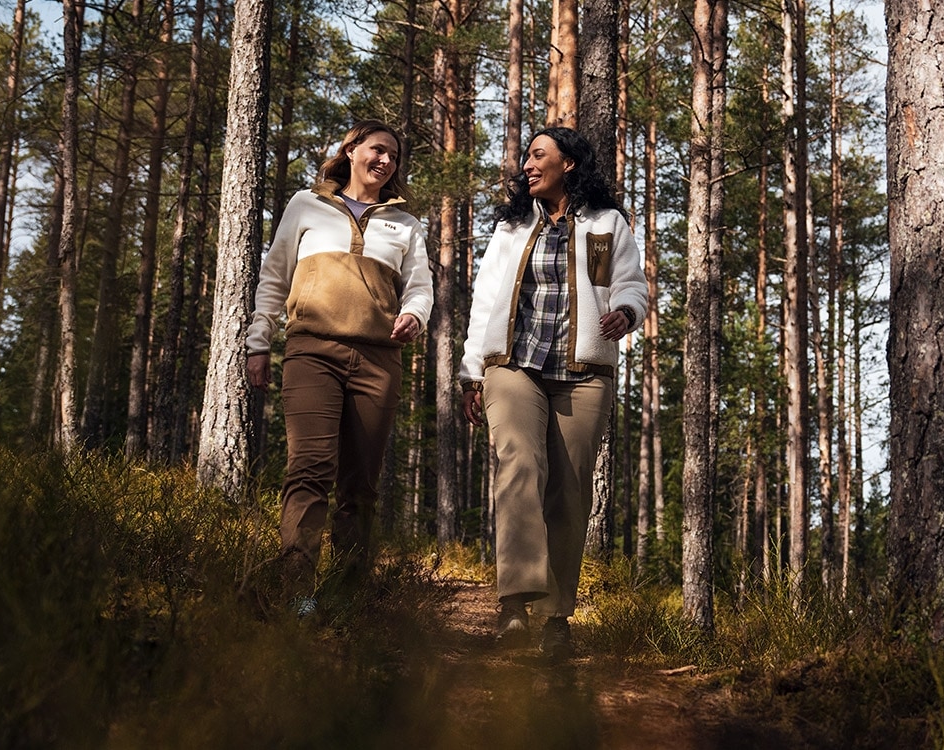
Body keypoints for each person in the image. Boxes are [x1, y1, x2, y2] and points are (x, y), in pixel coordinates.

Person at [459, 127, 649, 660]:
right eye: (526, 156)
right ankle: (515, 602)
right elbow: (485, 297)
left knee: (569, 489)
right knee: (518, 461)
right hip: (512, 364)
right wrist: (472, 369)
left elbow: (630, 284)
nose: (527, 164)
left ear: (569, 164)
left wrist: (627, 311)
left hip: (583, 370)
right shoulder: (513, 226)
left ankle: (556, 618)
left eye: (538, 155)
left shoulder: (606, 224)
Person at [246, 120, 433, 617]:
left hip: (378, 360)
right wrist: (258, 341)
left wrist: (414, 313)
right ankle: (295, 594)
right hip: (312, 352)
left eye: (394, 155)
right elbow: (274, 275)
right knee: (308, 470)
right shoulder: (306, 205)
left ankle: (347, 598)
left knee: (360, 484)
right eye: (378, 150)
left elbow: (420, 286)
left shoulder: (406, 224)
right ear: (351, 150)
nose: (386, 161)